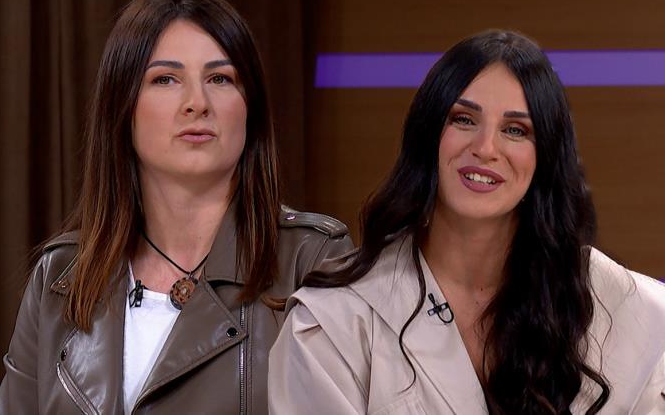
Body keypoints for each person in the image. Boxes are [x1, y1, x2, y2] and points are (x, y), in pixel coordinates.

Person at [0, 0, 352, 415]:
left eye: (220, 78)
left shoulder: (312, 261)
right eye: (165, 79)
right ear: (123, 106)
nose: (197, 103)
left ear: (250, 109)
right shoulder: (59, 279)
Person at [269, 30, 665, 414]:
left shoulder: (626, 308)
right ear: (429, 135)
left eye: (515, 130)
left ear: (544, 157)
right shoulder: (334, 321)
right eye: (463, 119)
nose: (485, 148)